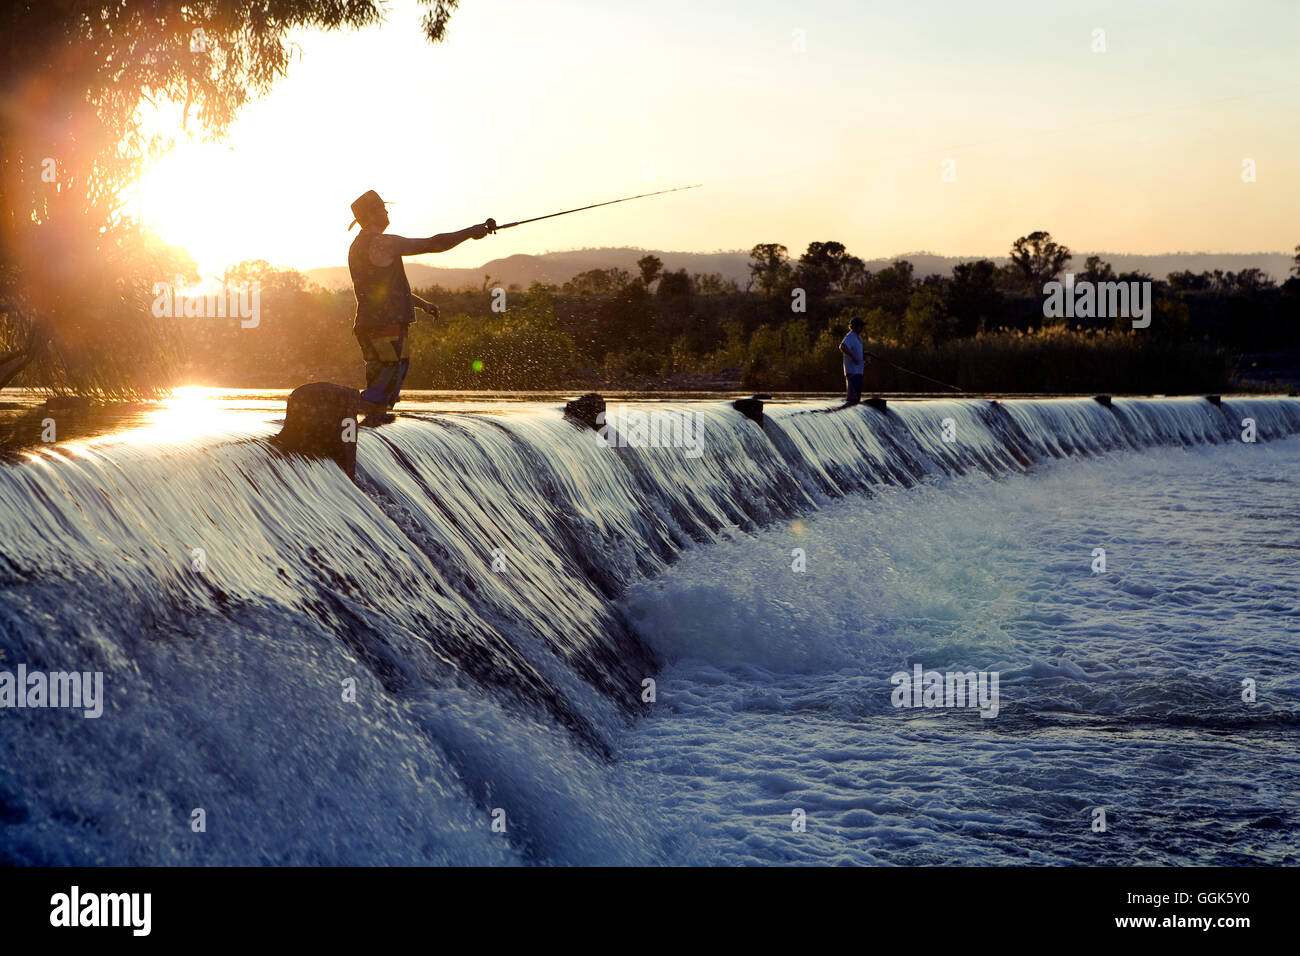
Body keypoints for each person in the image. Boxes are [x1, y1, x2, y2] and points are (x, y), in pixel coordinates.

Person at [347, 189, 493, 423]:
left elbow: (383, 289)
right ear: (373, 214)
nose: (386, 212)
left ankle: (365, 422)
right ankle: (349, 405)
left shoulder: (358, 246)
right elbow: (433, 243)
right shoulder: (383, 243)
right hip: (385, 326)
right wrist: (471, 232)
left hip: (371, 326)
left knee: (385, 378)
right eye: (383, 209)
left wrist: (422, 304)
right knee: (390, 375)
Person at [839, 315, 867, 405]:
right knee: (853, 398)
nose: (862, 328)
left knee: (856, 398)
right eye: (860, 326)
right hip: (852, 372)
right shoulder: (850, 336)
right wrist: (853, 357)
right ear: (854, 326)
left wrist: (864, 359)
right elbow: (842, 346)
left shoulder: (858, 338)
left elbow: (856, 351)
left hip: (858, 371)